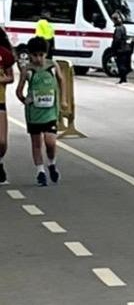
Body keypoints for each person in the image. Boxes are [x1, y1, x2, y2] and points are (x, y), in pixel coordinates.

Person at [17, 37, 67, 187]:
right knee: (36, 143)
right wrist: (25, 100)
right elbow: (19, 91)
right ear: (30, 55)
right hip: (34, 114)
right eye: (35, 55)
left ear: (46, 54)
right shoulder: (27, 70)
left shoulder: (52, 66)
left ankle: (51, 163)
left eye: (41, 55)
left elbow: (62, 80)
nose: (38, 59)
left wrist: (63, 100)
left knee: (50, 142)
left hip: (50, 112)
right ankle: (40, 172)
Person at [0, 28, 16, 185]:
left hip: (0, 102)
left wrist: (1, 79)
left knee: (2, 141)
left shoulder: (4, 54)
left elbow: (11, 77)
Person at [111, 12, 132, 84]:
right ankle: (124, 78)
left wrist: (113, 48)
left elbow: (117, 39)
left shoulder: (118, 29)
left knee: (120, 64)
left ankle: (122, 79)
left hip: (120, 49)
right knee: (123, 63)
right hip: (125, 48)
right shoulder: (123, 27)